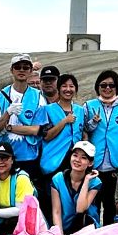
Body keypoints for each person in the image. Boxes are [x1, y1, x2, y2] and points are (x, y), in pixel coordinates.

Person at [83, 70, 118, 225]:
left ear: (117, 87)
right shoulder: (89, 106)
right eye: (103, 85)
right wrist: (93, 122)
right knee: (92, 207)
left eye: (111, 85)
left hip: (115, 165)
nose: (107, 88)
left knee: (111, 208)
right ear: (98, 87)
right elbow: (84, 132)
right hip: (93, 164)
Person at [36, 73, 86, 215]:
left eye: (71, 86)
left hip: (74, 162)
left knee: (71, 202)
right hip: (53, 163)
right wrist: (64, 121)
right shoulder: (48, 110)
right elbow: (46, 136)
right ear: (58, 88)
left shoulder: (80, 111)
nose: (68, 89)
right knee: (51, 203)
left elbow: (83, 132)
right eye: (64, 86)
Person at [0, 54, 43, 172]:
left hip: (28, 157)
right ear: (11, 70)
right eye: (18, 67)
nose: (21, 70)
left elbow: (36, 130)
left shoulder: (38, 97)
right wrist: (8, 112)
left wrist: (8, 127)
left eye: (25, 67)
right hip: (2, 157)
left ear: (31, 70)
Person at [0, 141, 36, 235]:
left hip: (24, 225)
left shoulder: (21, 178)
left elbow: (20, 210)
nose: (0, 162)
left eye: (4, 158)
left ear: (12, 160)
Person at [50, 141, 101, 235]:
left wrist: (86, 180)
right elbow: (56, 212)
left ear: (90, 163)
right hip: (64, 229)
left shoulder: (95, 182)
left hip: (87, 229)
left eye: (83, 158)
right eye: (75, 155)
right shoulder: (58, 179)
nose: (77, 160)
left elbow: (80, 209)